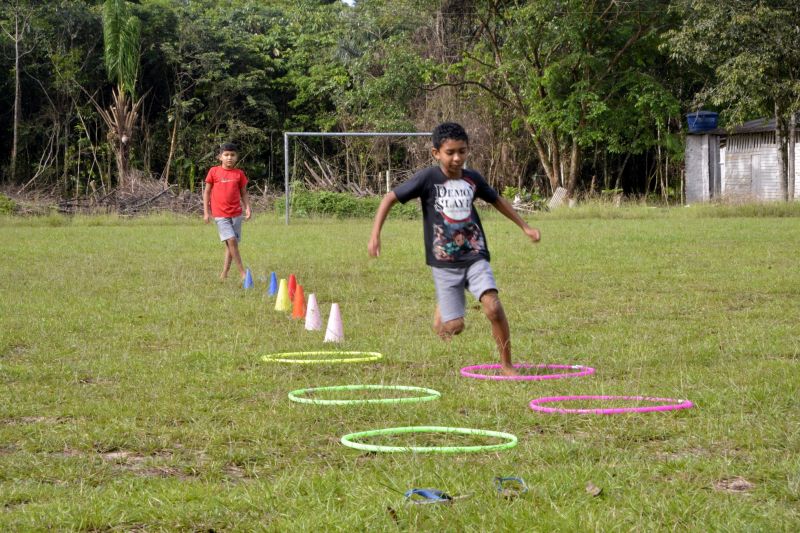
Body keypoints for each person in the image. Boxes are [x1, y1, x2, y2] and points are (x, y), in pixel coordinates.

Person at [368, 122, 540, 375]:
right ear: (436, 153)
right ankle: (444, 311)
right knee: (454, 326)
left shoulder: (473, 179)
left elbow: (497, 200)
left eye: (463, 151)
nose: (457, 158)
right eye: (450, 152)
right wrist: (375, 235)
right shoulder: (428, 178)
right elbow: (389, 198)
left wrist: (525, 227)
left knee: (493, 307)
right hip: (444, 262)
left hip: (474, 255)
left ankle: (506, 365)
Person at [203, 142, 252, 281]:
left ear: (236, 157)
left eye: (232, 155)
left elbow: (243, 193)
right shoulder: (214, 171)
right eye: (226, 155)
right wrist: (206, 212)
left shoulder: (239, 174)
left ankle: (224, 273)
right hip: (220, 214)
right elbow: (206, 192)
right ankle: (243, 273)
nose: (229, 157)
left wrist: (247, 207)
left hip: (236, 213)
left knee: (231, 245)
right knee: (231, 240)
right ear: (220, 157)